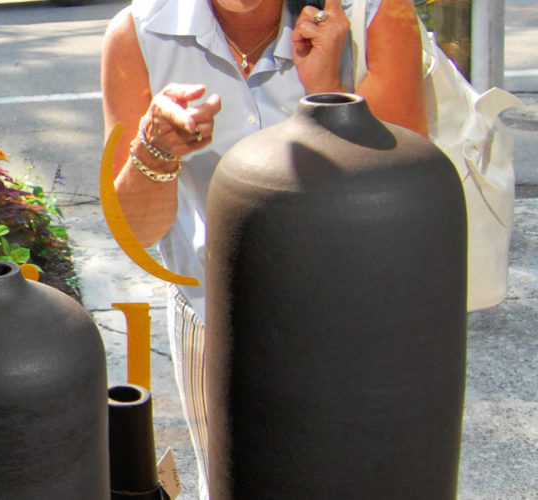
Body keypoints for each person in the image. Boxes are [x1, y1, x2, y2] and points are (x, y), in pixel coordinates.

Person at [101, 0, 427, 496]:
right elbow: (136, 233)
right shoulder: (140, 33)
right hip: (215, 319)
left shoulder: (376, 15)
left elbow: (412, 203)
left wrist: (328, 94)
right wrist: (157, 149)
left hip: (360, 319)